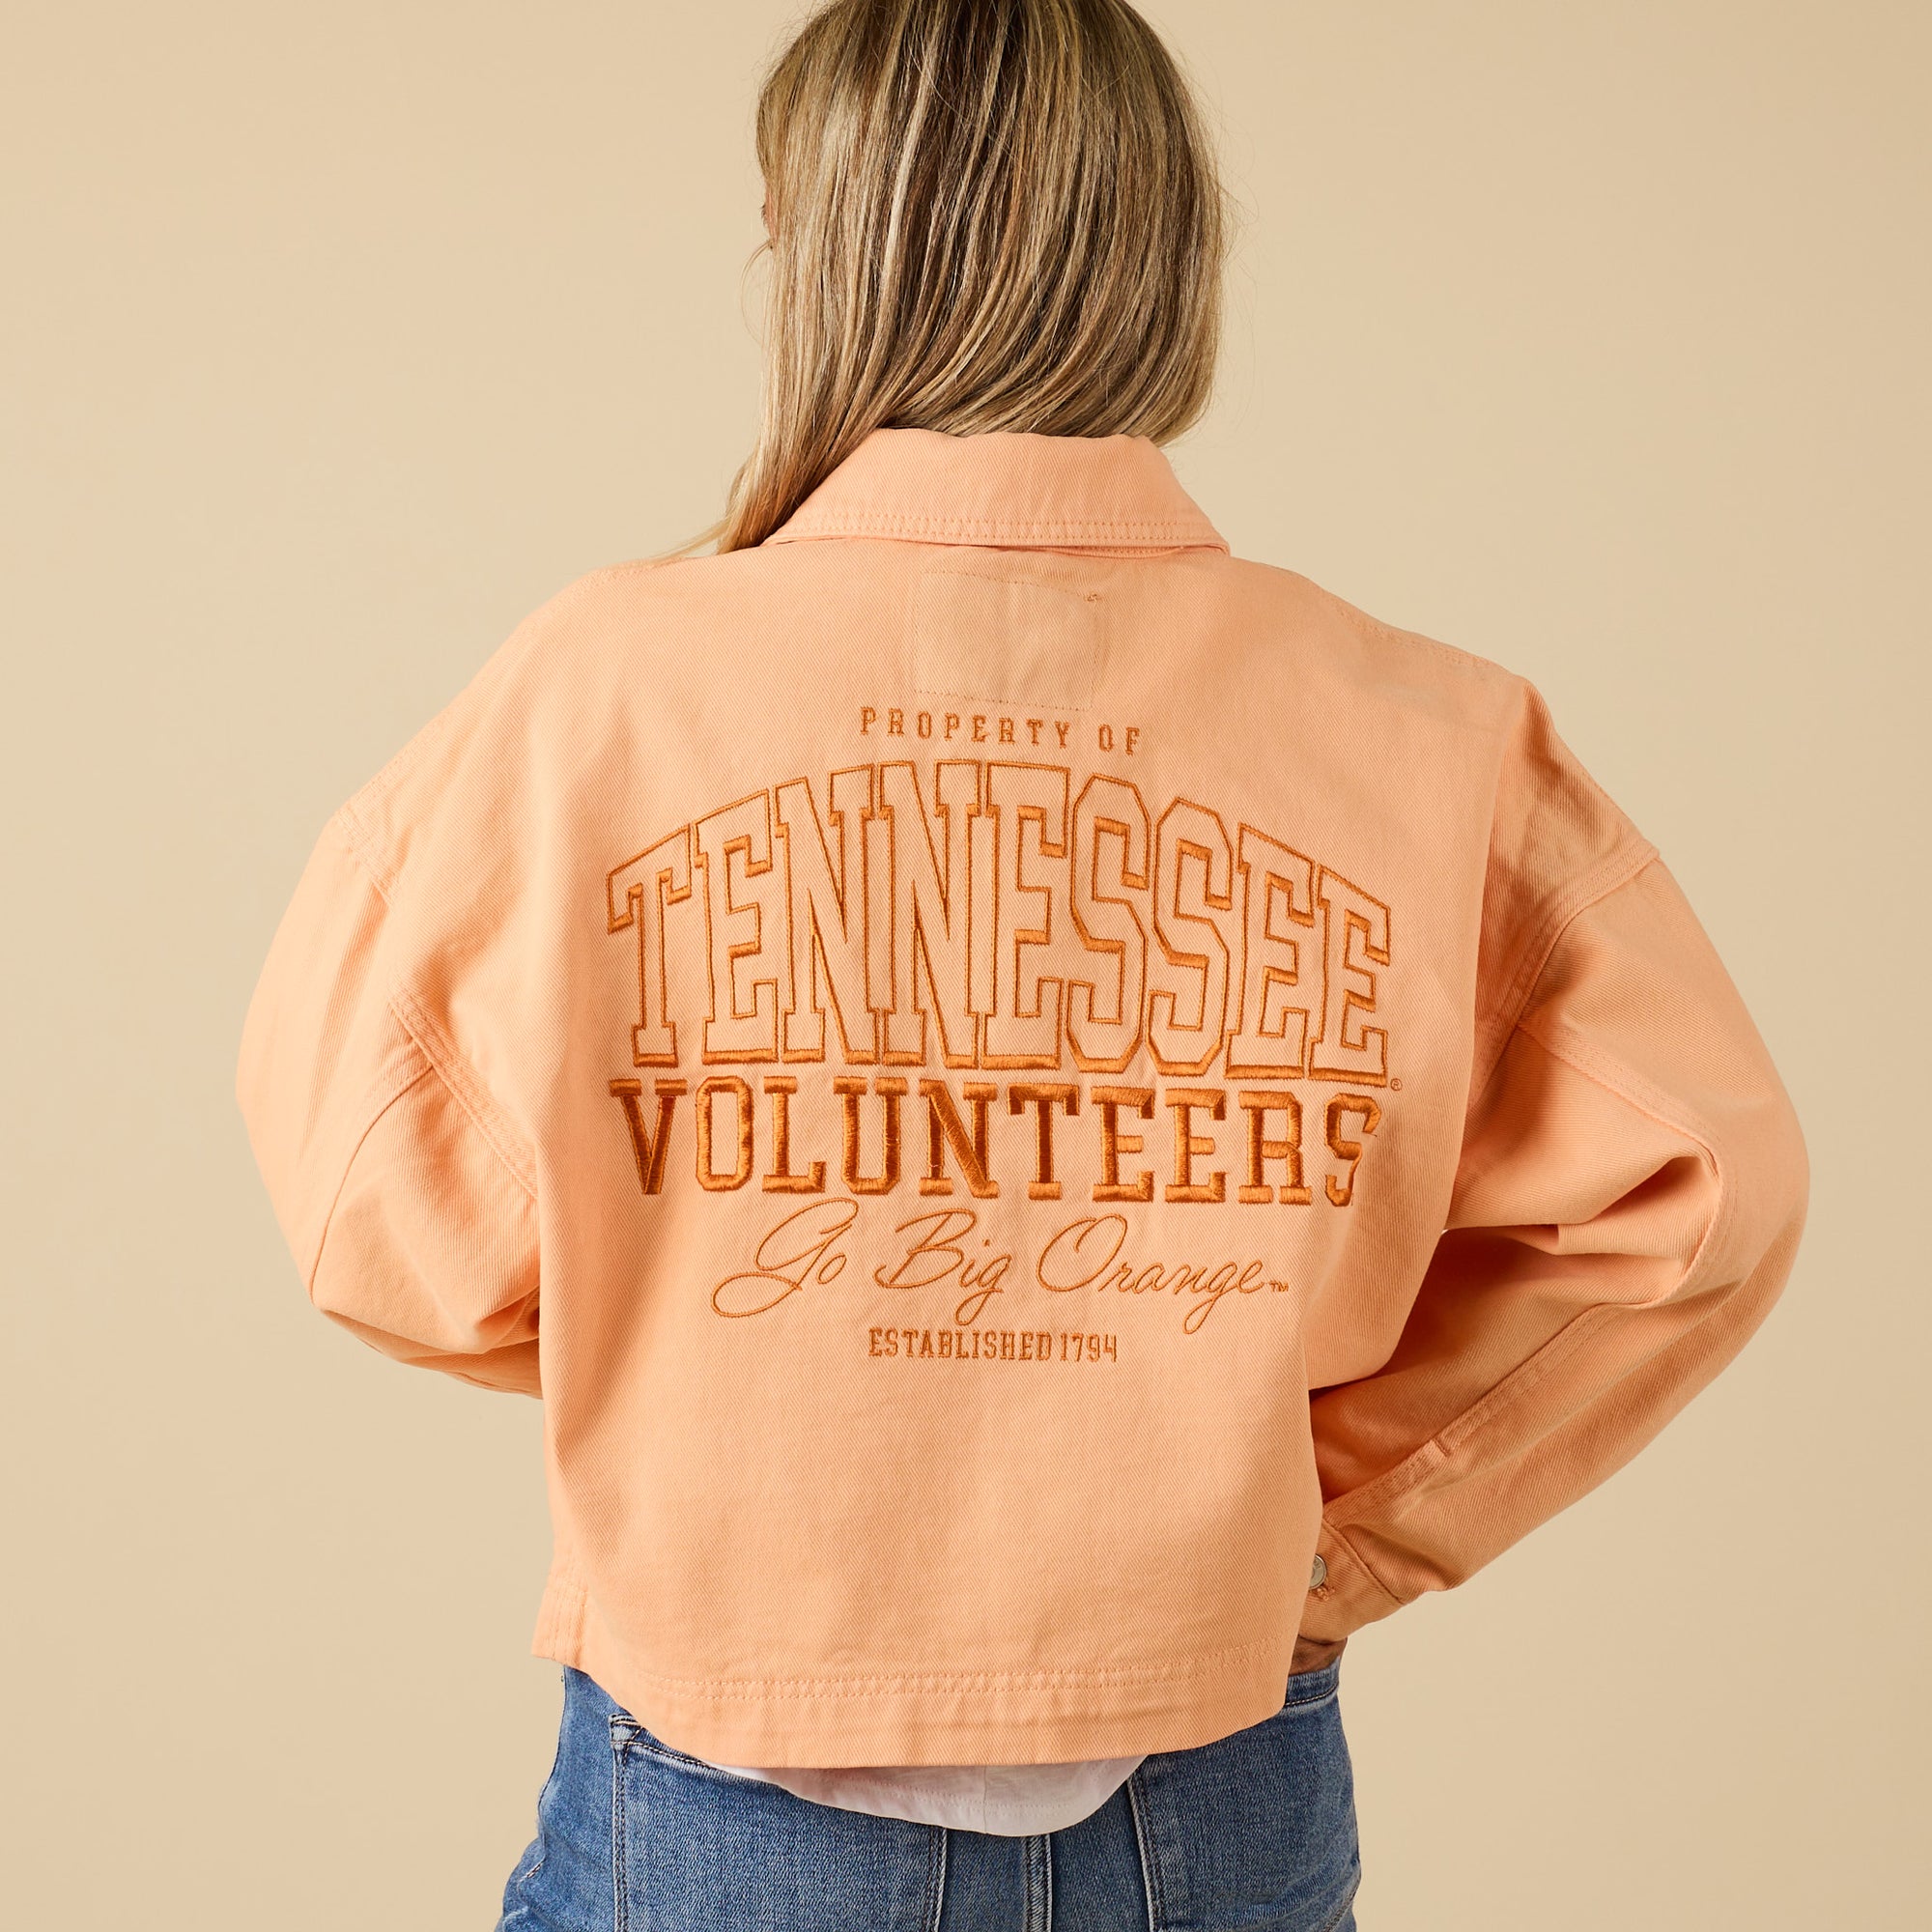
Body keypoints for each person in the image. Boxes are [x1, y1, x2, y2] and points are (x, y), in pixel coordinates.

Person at [235, 2, 1810, 1926]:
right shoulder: (1415, 730)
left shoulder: (594, 691)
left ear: (819, 252)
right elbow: (1707, 1188)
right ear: (1160, 248)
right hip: (1208, 1782)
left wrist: (699, 1343)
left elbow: (358, 1186)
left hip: (725, 1784)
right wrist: (1329, 1526)